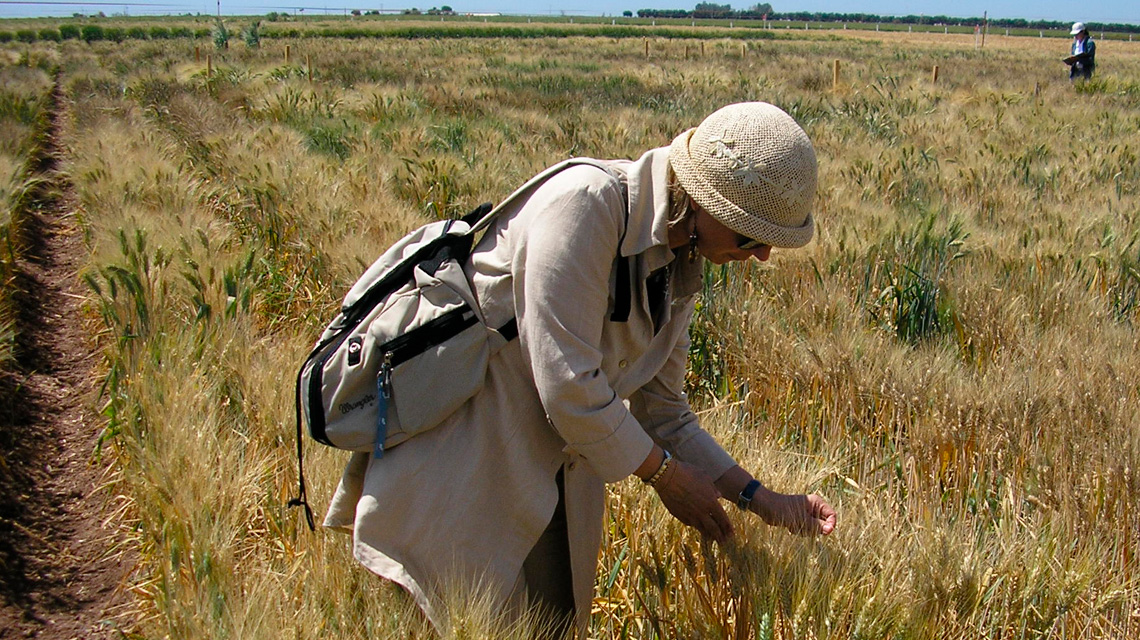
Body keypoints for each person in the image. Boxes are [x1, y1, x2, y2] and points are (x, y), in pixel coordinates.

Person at [323, 102, 838, 636]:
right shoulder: (585, 207)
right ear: (709, 203)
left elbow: (666, 414)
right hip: (463, 473)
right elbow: (567, 383)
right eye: (751, 237)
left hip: (556, 481)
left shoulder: (682, 261)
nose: (762, 257)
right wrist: (664, 476)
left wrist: (761, 499)